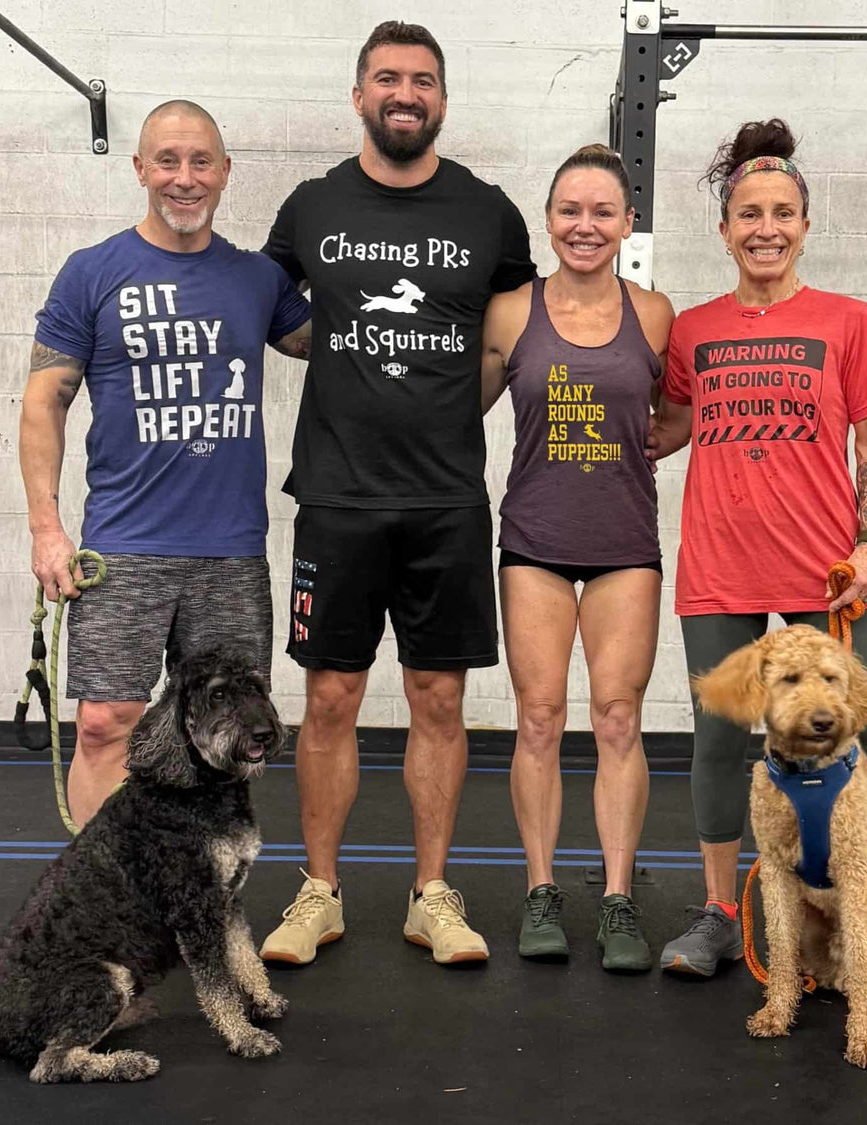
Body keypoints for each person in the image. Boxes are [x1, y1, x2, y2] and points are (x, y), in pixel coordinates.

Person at [646, 119, 867, 1021]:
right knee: (721, 745)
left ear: (805, 224)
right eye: (747, 214)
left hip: (826, 576)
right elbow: (663, 428)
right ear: (724, 229)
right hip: (721, 567)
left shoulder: (848, 321)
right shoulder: (693, 330)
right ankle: (723, 914)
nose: (765, 227)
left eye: (783, 213)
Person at [257, 21, 536, 966]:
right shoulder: (309, 206)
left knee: (438, 698)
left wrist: (463, 402)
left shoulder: (490, 214)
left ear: (443, 101)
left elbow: (510, 335)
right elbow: (275, 310)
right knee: (330, 696)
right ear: (360, 95)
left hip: (447, 496)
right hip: (336, 495)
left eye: (421, 80)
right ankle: (320, 892)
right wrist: (328, 352)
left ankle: (431, 893)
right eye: (387, 78)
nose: (403, 92)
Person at [19, 100, 311, 826]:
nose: (185, 178)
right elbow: (43, 402)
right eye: (169, 161)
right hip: (122, 545)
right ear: (141, 168)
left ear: (225, 172)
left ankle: (199, 901)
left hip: (229, 554)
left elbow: (344, 345)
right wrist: (46, 529)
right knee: (103, 724)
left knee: (229, 739)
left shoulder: (258, 280)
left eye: (201, 161)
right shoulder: (92, 273)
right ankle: (112, 902)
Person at [480, 144, 674, 972]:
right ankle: (540, 889)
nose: (585, 225)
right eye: (570, 210)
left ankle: (620, 897)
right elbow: (457, 411)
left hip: (624, 544)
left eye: (602, 211)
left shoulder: (657, 313)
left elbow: (684, 410)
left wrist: (637, 449)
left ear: (627, 224)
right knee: (539, 718)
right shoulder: (509, 312)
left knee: (618, 718)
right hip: (535, 541)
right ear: (548, 219)